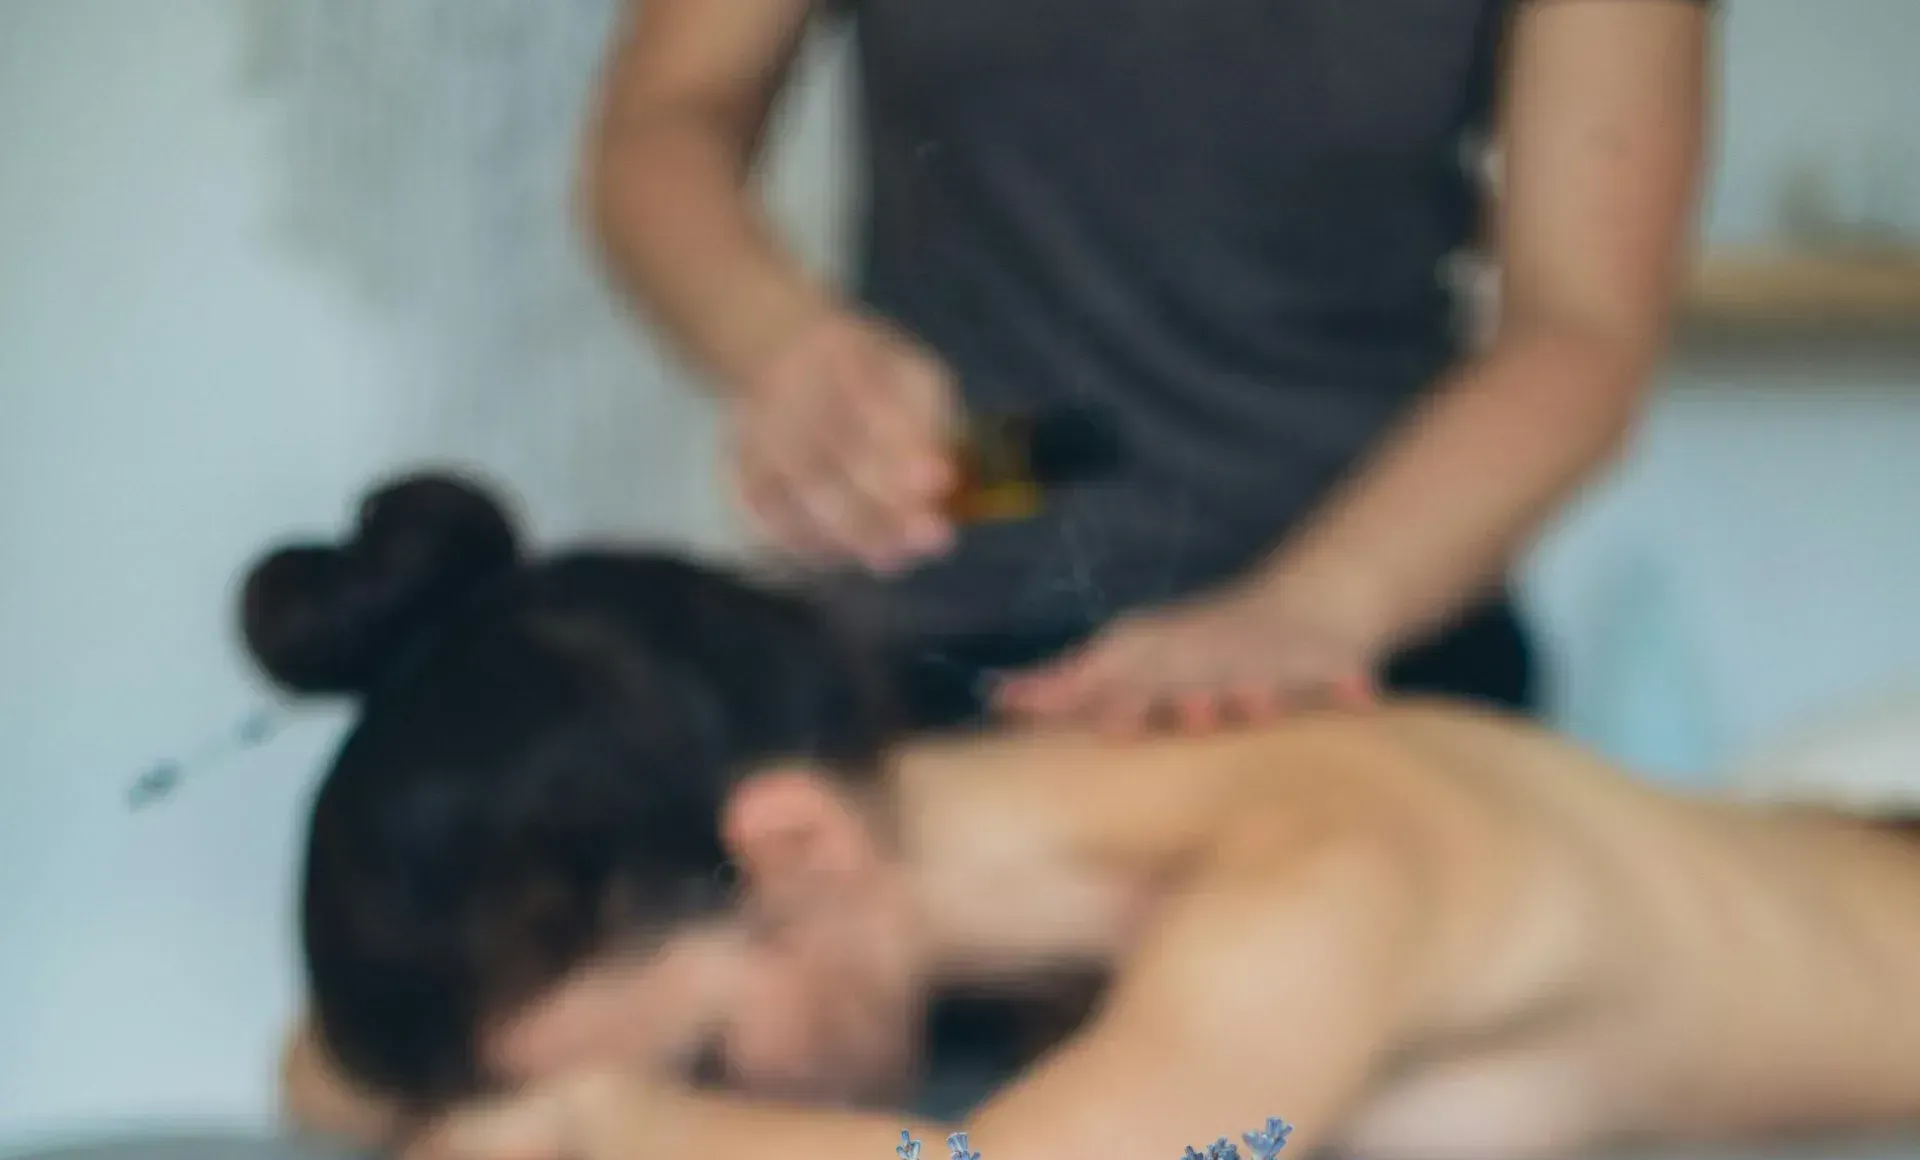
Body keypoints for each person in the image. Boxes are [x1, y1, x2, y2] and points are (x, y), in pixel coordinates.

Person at [260, 476, 1920, 1160]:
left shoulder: (1311, 879)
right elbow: (324, 1068)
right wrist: (529, 1091)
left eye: (705, 1058)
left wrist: (611, 1123)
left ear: (791, 849)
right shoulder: (943, 853)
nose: (728, 1113)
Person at [582, 0, 1711, 729]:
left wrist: (1308, 613)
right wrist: (784, 340)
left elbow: (1580, 332)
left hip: (1359, 644)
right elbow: (663, 127)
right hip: (946, 621)